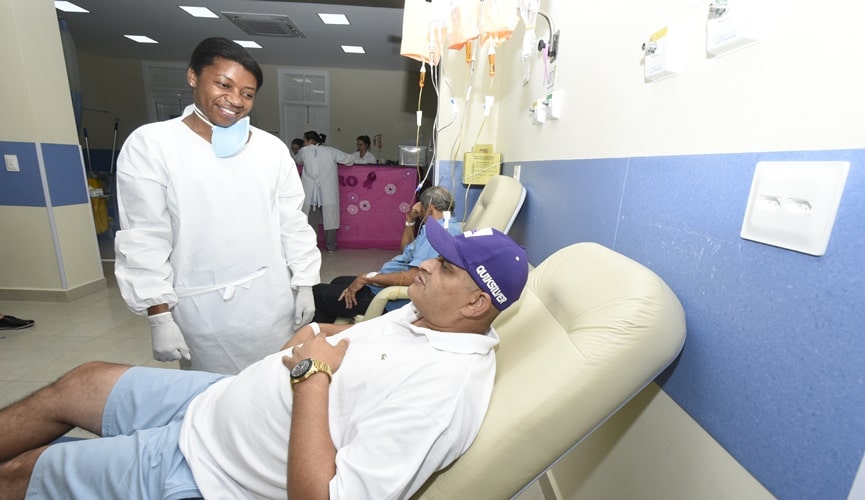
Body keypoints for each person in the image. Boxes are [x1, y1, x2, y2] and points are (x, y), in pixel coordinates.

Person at [0, 222, 529, 500]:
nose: (425, 264)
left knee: (22, 476)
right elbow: (363, 350)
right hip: (213, 405)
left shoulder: (442, 393)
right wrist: (323, 329)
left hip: (212, 472)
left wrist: (311, 376)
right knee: (80, 381)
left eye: (445, 265)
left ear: (476, 303)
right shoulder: (427, 316)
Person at [113, 37, 321, 375]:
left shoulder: (270, 149)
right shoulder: (153, 145)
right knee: (214, 402)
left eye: (247, 93)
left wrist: (306, 282)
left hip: (271, 302)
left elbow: (292, 222)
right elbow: (145, 236)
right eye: (223, 85)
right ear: (193, 77)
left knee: (273, 391)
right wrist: (159, 315)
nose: (235, 100)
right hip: (203, 308)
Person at [313, 185, 461, 323]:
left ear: (429, 207)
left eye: (421, 208)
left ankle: (317, 337)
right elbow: (405, 252)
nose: (419, 211)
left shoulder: (437, 234)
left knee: (318, 292)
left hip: (388, 297)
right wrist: (410, 220)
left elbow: (413, 277)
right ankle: (331, 326)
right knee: (338, 281)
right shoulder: (445, 227)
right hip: (384, 284)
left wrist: (368, 278)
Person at [294, 130, 354, 253]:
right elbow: (349, 160)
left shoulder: (303, 152)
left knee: (311, 221)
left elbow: (297, 160)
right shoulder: (331, 151)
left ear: (309, 140)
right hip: (328, 192)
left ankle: (311, 247)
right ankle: (331, 246)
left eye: (304, 140)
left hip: (311, 193)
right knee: (330, 219)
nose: (304, 143)